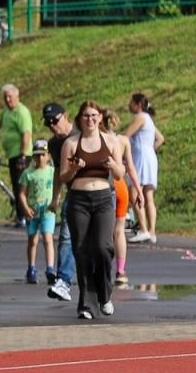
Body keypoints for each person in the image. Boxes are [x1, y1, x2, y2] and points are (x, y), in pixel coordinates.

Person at [57, 100, 127, 320]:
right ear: (80, 119)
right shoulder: (70, 143)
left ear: (100, 118)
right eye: (86, 116)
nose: (90, 119)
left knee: (103, 247)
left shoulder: (111, 140)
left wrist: (113, 166)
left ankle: (104, 295)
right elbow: (63, 176)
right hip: (79, 200)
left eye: (94, 115)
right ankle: (86, 304)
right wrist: (75, 169)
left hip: (104, 198)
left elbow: (120, 174)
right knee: (82, 251)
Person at [101, 107, 142, 289]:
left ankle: (103, 268)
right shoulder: (123, 141)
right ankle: (121, 271)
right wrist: (138, 190)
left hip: (105, 186)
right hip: (122, 187)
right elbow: (131, 168)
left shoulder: (100, 140)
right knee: (119, 231)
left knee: (103, 232)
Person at [42, 103, 76, 302]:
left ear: (66, 116)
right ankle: (63, 281)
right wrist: (55, 197)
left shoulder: (81, 134)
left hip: (98, 192)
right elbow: (57, 172)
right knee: (66, 237)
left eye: (55, 120)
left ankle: (101, 285)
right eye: (48, 123)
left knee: (99, 245)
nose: (52, 125)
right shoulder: (54, 144)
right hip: (73, 194)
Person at [125, 93, 164, 243]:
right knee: (148, 196)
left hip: (141, 156)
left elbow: (126, 135)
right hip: (150, 155)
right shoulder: (149, 119)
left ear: (138, 105)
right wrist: (150, 148)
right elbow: (160, 138)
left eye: (131, 102)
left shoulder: (140, 117)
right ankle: (152, 231)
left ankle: (143, 229)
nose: (129, 105)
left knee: (135, 191)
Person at [20, 139, 56, 284]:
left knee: (48, 239)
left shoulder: (52, 172)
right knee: (32, 240)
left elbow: (58, 188)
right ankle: (31, 267)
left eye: (43, 155)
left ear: (48, 156)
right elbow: (22, 193)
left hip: (47, 211)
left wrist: (55, 201)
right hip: (33, 212)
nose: (40, 158)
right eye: (37, 155)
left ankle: (50, 268)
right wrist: (25, 208)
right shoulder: (28, 173)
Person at [0, 84, 32, 225]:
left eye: (10, 97)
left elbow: (26, 134)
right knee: (16, 185)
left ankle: (23, 216)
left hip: (21, 154)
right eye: (5, 97)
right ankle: (20, 214)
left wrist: (23, 154)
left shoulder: (21, 112)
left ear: (17, 96)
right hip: (12, 154)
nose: (8, 100)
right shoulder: (7, 112)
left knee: (21, 186)